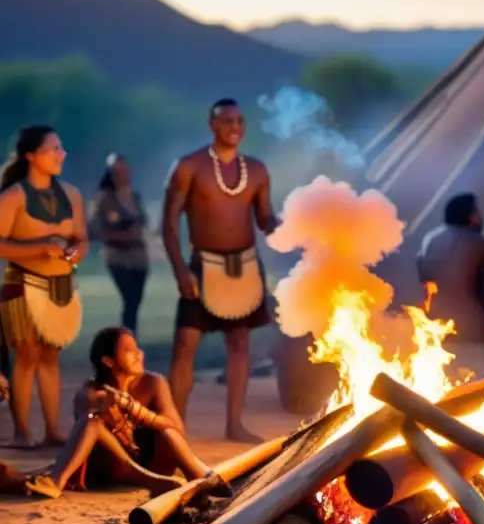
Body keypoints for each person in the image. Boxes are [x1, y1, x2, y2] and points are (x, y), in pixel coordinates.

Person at [163, 99, 277, 443]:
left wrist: (301, 222)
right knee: (185, 343)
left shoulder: (256, 171)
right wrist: (181, 271)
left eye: (240, 120)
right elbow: (168, 225)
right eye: (227, 121)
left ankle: (234, 424)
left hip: (245, 266)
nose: (236, 127)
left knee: (240, 343)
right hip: (202, 266)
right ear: (212, 124)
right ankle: (173, 427)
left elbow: (265, 220)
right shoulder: (189, 167)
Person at [23, 327, 230, 499]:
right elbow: (92, 410)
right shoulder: (92, 390)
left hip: (152, 463)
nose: (139, 353)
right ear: (109, 361)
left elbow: (176, 427)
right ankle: (56, 482)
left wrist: (136, 410)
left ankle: (199, 475)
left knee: (169, 432)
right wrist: (107, 407)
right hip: (114, 466)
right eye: (129, 350)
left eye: (137, 348)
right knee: (92, 421)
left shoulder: (153, 383)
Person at [0, 125, 87, 448]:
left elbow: (82, 238)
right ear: (31, 156)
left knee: (50, 356)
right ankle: (22, 432)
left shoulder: (73, 195)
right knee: (26, 355)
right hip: (22, 285)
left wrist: (75, 253)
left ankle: (52, 430)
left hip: (60, 285)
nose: (61, 154)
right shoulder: (13, 197)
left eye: (61, 148)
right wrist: (39, 247)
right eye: (54, 149)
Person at [416, 193, 484, 341]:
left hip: (433, 322)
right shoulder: (483, 243)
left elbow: (422, 274)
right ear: (472, 217)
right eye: (478, 212)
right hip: (470, 325)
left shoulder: (429, 239)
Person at [89, 153, 149, 333]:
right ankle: (126, 338)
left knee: (135, 301)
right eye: (118, 171)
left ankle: (129, 336)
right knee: (129, 298)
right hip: (117, 257)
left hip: (139, 257)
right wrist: (121, 235)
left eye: (125, 169)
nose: (123, 174)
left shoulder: (134, 197)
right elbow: (93, 230)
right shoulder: (104, 200)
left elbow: (143, 223)